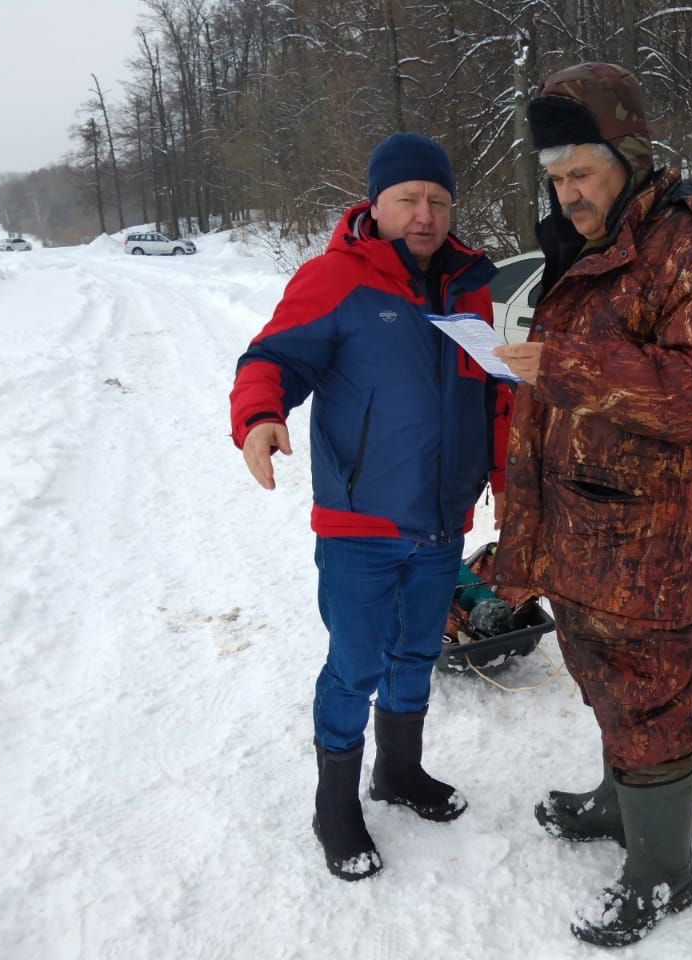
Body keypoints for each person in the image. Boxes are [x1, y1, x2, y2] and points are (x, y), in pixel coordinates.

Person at [491, 62, 692, 947]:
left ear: (630, 155)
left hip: (652, 530)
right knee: (598, 670)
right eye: (556, 178)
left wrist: (570, 367)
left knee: (646, 690)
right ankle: (619, 802)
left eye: (582, 175)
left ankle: (663, 873)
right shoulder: (588, 241)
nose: (566, 195)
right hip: (583, 514)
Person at [228, 132, 513, 880]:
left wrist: (510, 483)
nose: (424, 215)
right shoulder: (336, 279)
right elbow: (270, 359)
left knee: (417, 652)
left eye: (438, 201)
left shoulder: (470, 286)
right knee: (355, 664)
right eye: (408, 200)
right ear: (376, 204)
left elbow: (495, 394)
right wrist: (260, 416)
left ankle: (399, 772)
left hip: (442, 519)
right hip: (361, 520)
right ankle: (335, 804)